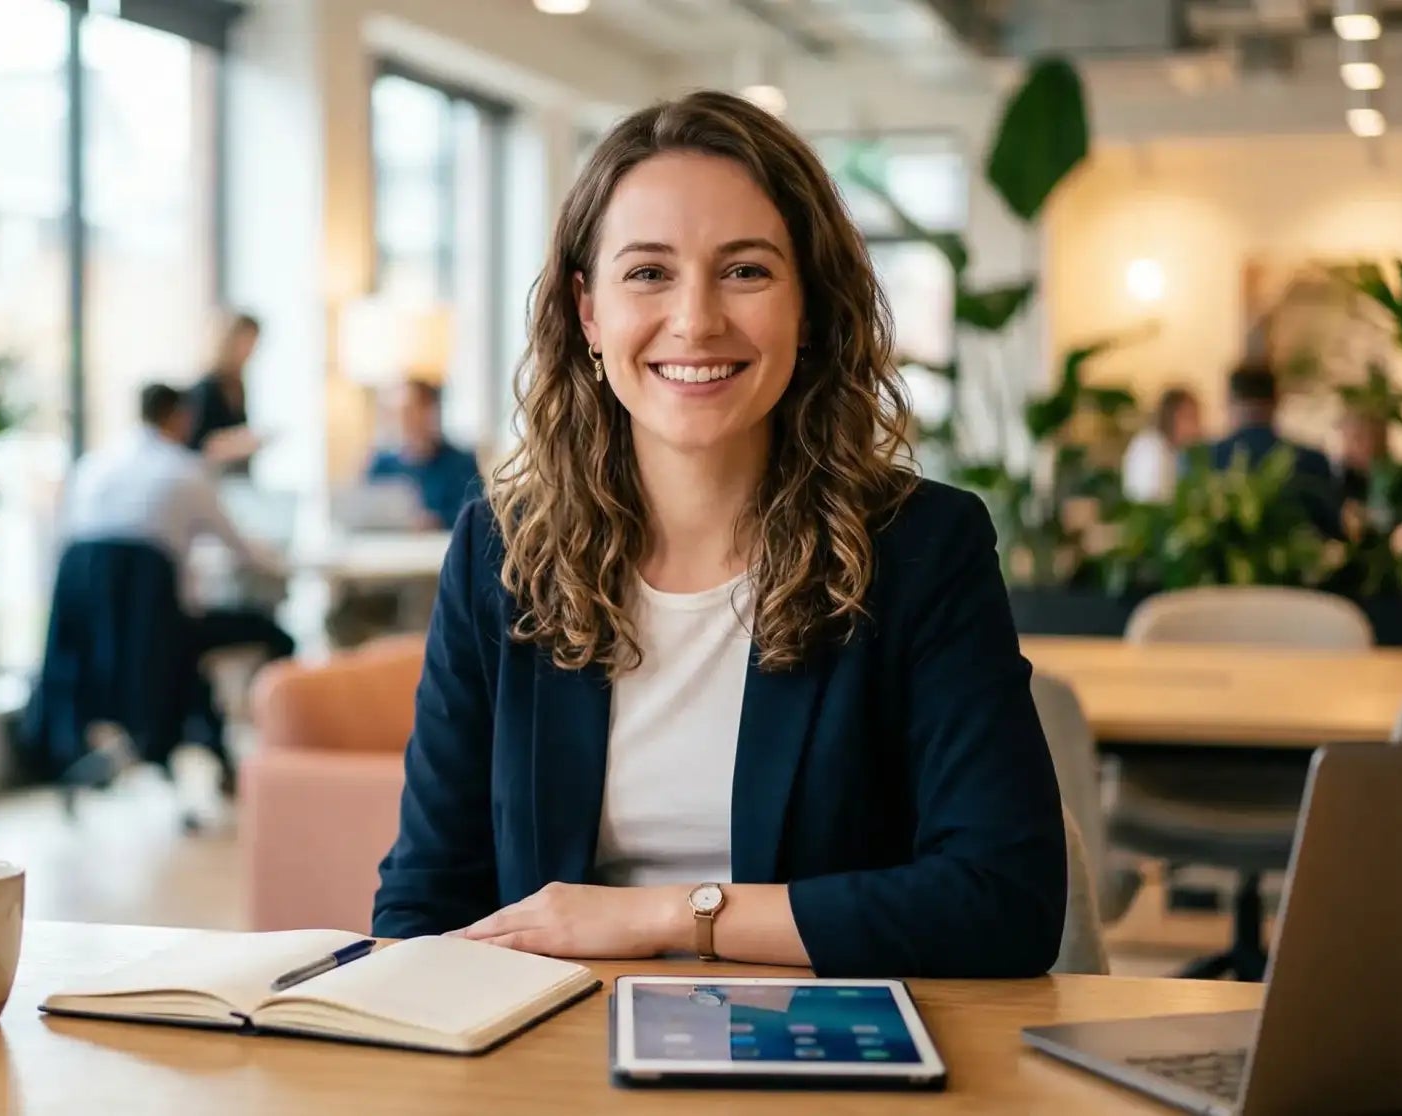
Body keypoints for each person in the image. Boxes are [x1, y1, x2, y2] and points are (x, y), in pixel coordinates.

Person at [370, 90, 1066, 979]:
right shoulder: (500, 553)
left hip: (827, 1055)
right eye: (648, 273)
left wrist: (668, 918)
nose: (695, 320)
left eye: (745, 271)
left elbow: (1006, 902)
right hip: (553, 1058)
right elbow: (427, 898)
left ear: (807, 304)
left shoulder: (920, 548)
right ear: (588, 312)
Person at [56, 384, 298, 759]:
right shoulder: (184, 472)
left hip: (93, 647)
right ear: (179, 417)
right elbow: (244, 550)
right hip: (159, 638)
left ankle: (196, 741)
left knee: (183, 645)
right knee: (275, 636)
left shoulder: (93, 468)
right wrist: (289, 564)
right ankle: (281, 748)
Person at [1202, 364, 1340, 538]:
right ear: (1277, 401)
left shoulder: (1204, 459)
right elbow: (1331, 533)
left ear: (1229, 401)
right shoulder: (1313, 461)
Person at [364, 380, 483, 529]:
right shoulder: (381, 465)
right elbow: (364, 511)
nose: (406, 419)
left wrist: (437, 521)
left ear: (432, 412)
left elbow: (476, 515)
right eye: (401, 412)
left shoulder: (462, 464)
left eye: (413, 410)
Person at [185, 312, 264, 474]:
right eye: (246, 343)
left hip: (236, 476)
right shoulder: (205, 390)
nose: (250, 351)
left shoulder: (238, 385)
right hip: (208, 480)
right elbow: (197, 446)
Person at [1121, 386, 1200, 503]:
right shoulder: (1150, 449)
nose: (1197, 427)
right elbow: (1152, 501)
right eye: (1192, 417)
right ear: (1174, 416)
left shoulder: (1172, 451)